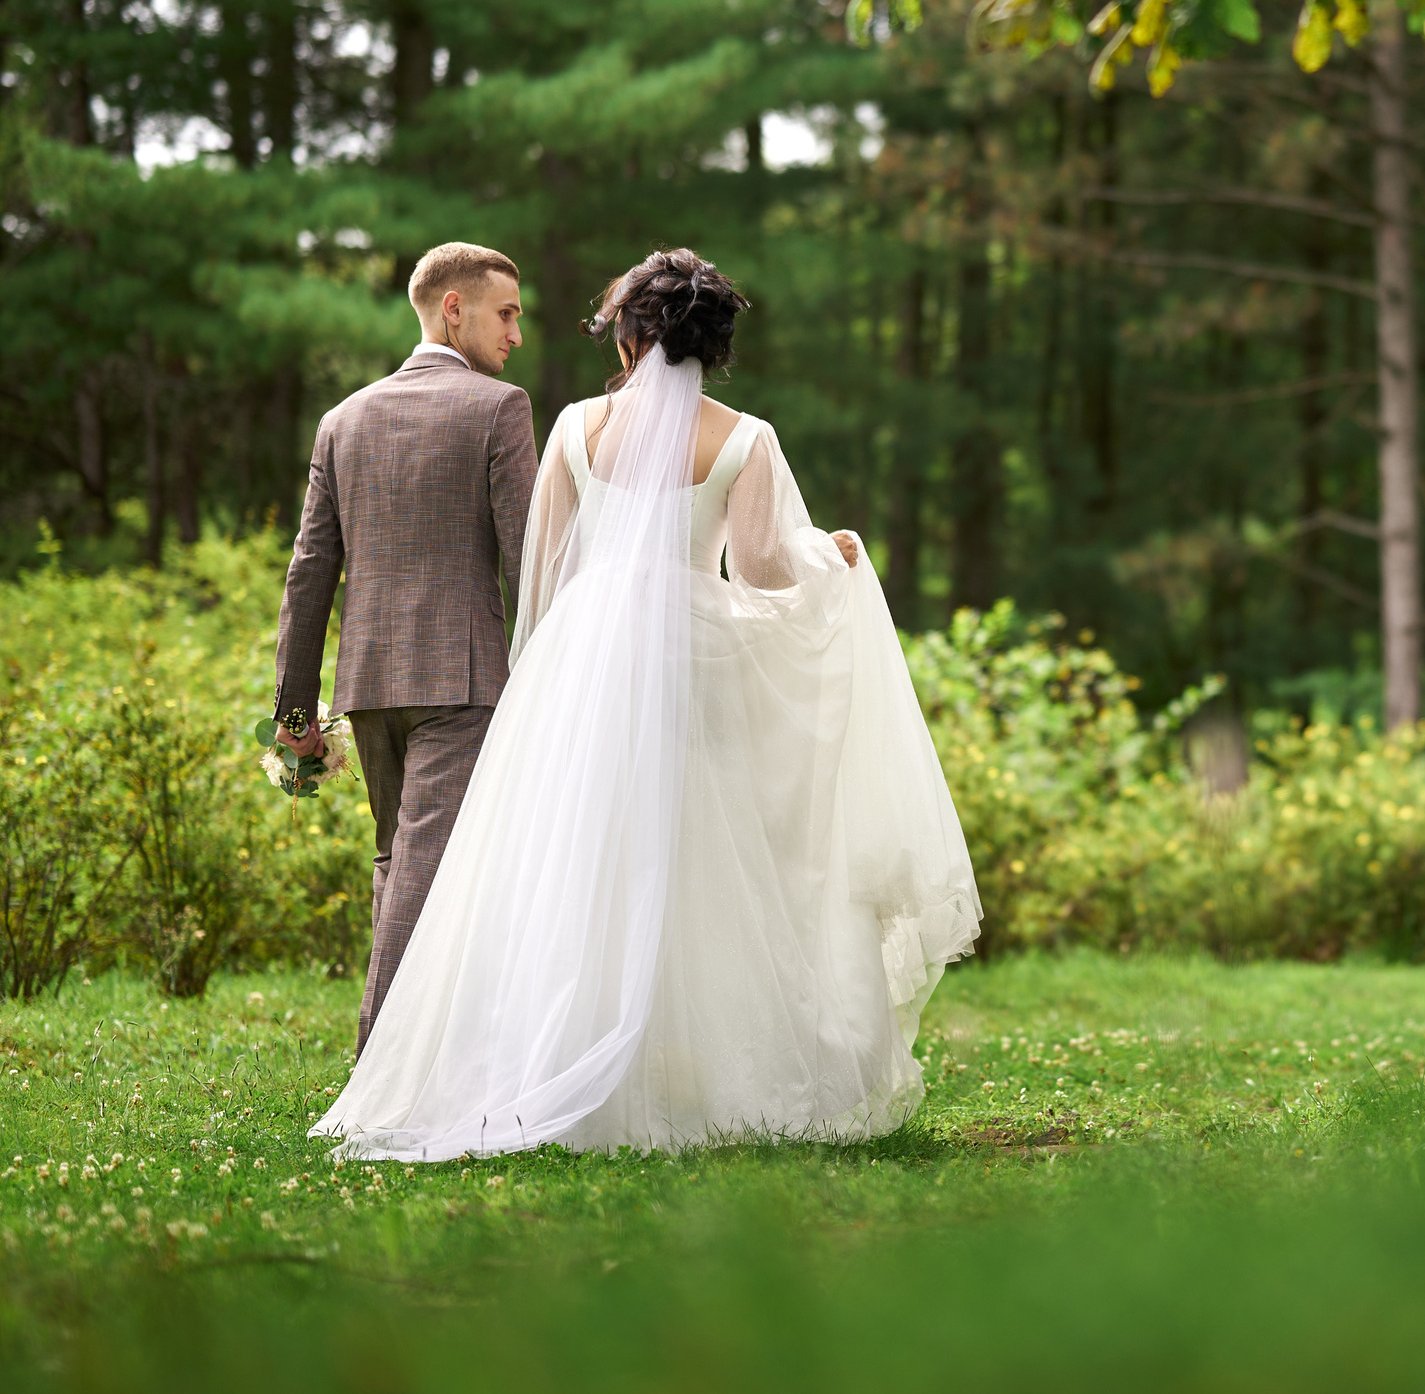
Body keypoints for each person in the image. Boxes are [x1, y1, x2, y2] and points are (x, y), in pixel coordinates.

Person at [314, 249, 979, 1159]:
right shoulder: (745, 438)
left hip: (581, 657)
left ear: (628, 335)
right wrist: (832, 552)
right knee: (698, 857)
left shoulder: (575, 429)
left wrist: (549, 683)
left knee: (582, 861)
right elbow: (766, 567)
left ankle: (549, 1059)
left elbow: (543, 567)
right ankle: (694, 1071)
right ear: (714, 342)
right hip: (691, 652)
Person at [273, 242, 535, 1053]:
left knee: (400, 863)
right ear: (452, 308)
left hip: (368, 683)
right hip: (461, 681)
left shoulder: (341, 419)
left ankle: (437, 1059)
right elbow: (528, 557)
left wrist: (293, 710)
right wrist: (548, 677)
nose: (516, 335)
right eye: (506, 312)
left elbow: (308, 574)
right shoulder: (500, 408)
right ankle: (378, 1067)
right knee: (425, 869)